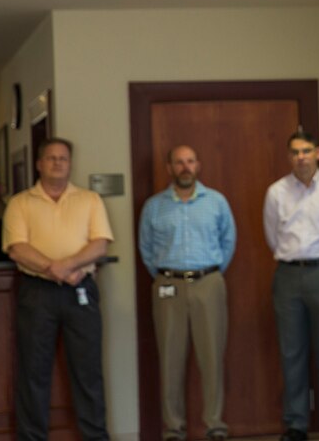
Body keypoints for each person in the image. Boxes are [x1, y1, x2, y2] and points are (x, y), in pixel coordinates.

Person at [3, 137, 114, 441]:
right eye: (50, 158)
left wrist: (67, 265)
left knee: (87, 371)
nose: (57, 163)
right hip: (37, 293)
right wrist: (56, 268)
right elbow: (17, 249)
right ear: (39, 164)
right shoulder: (20, 202)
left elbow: (100, 243)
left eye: (63, 158)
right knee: (33, 372)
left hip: (81, 291)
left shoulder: (90, 199)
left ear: (70, 164)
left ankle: (95, 437)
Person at [139, 145, 236, 441]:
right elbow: (146, 249)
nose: (185, 167)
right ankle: (173, 428)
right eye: (179, 162)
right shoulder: (154, 206)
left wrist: (210, 273)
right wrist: (166, 276)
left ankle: (215, 425)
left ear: (198, 165)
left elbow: (228, 240)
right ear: (169, 168)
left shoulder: (217, 202)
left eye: (190, 161)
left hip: (209, 282)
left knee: (212, 356)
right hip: (168, 284)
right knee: (170, 357)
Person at [263, 131, 319, 441]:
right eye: (295, 152)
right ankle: (296, 424)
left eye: (307, 150)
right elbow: (272, 235)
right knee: (291, 352)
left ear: (318, 153)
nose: (301, 156)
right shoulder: (276, 192)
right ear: (289, 157)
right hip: (287, 275)